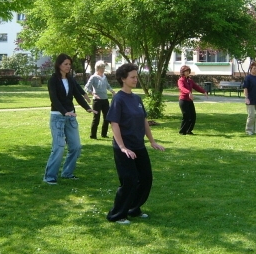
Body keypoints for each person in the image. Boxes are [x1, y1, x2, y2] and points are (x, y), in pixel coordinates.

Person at [106, 63, 165, 225]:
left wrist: (152, 141)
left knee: (146, 179)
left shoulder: (136, 98)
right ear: (123, 79)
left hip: (139, 145)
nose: (135, 79)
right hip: (123, 148)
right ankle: (117, 214)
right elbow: (114, 124)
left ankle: (133, 208)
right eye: (132, 77)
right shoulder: (118, 99)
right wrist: (123, 147)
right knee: (130, 180)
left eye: (136, 76)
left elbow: (143, 120)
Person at [43, 54, 97, 185]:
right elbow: (54, 99)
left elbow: (77, 95)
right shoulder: (53, 80)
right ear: (59, 65)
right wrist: (64, 112)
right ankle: (49, 177)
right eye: (66, 64)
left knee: (76, 147)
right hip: (57, 117)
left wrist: (87, 108)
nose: (68, 66)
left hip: (71, 117)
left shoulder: (70, 79)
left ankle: (67, 173)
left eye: (69, 64)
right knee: (59, 147)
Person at [85, 60, 116, 139]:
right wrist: (93, 94)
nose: (103, 69)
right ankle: (93, 135)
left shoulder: (104, 77)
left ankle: (104, 134)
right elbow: (86, 87)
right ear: (97, 68)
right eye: (102, 68)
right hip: (97, 101)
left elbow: (107, 86)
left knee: (107, 117)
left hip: (105, 99)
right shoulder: (93, 77)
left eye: (104, 68)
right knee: (96, 118)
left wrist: (112, 91)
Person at [177, 65, 207, 135]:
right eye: (185, 71)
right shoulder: (180, 80)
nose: (187, 72)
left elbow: (196, 87)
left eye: (188, 71)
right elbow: (182, 88)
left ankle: (189, 130)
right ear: (182, 72)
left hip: (189, 100)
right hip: (183, 100)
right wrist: (189, 92)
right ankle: (182, 131)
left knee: (193, 116)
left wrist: (203, 91)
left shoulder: (190, 80)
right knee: (186, 116)